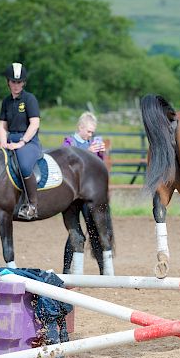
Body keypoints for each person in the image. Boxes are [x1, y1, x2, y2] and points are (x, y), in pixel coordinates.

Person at [61, 111, 106, 274]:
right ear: (80, 127)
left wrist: (100, 153)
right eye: (88, 131)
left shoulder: (92, 142)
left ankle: (104, 270)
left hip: (88, 194)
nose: (91, 134)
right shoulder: (68, 142)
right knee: (74, 231)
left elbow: (99, 167)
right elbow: (67, 163)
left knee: (93, 229)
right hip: (71, 196)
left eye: (92, 132)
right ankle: (66, 270)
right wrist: (88, 150)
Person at [0, 62, 42, 220]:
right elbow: (3, 125)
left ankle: (32, 205)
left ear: (23, 82)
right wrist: (3, 143)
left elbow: (35, 123)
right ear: (8, 82)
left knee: (23, 165)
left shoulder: (30, 99)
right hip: (10, 140)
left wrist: (22, 142)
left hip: (29, 141)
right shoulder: (6, 101)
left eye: (19, 82)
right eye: (13, 81)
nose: (16, 85)